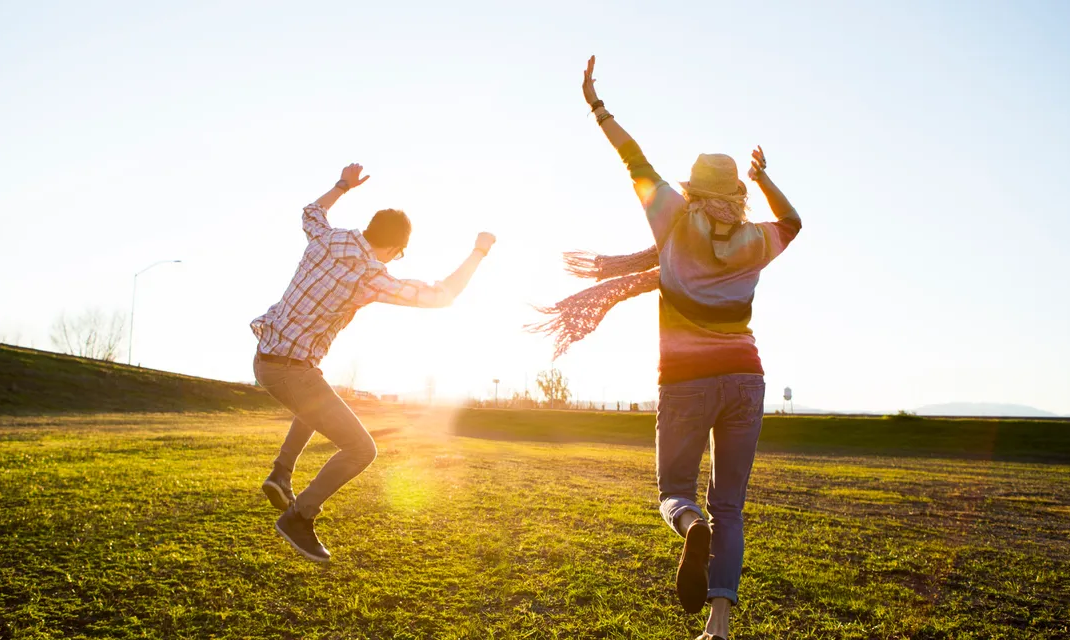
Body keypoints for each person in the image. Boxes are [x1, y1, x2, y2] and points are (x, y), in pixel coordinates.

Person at [532, 57, 802, 639]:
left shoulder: (673, 220)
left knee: (675, 492)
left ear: (691, 190)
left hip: (683, 381)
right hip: (745, 379)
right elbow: (794, 221)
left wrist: (597, 107)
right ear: (735, 191)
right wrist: (763, 180)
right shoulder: (757, 240)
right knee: (731, 505)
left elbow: (633, 158)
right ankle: (719, 626)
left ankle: (688, 527)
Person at [251, 163, 496, 562]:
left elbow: (310, 212)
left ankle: (281, 472)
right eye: (398, 256)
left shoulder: (326, 239)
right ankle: (299, 516)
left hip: (267, 359)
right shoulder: (369, 274)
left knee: (316, 402)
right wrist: (478, 252)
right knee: (361, 449)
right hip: (289, 369)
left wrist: (343, 185)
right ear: (395, 248)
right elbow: (440, 296)